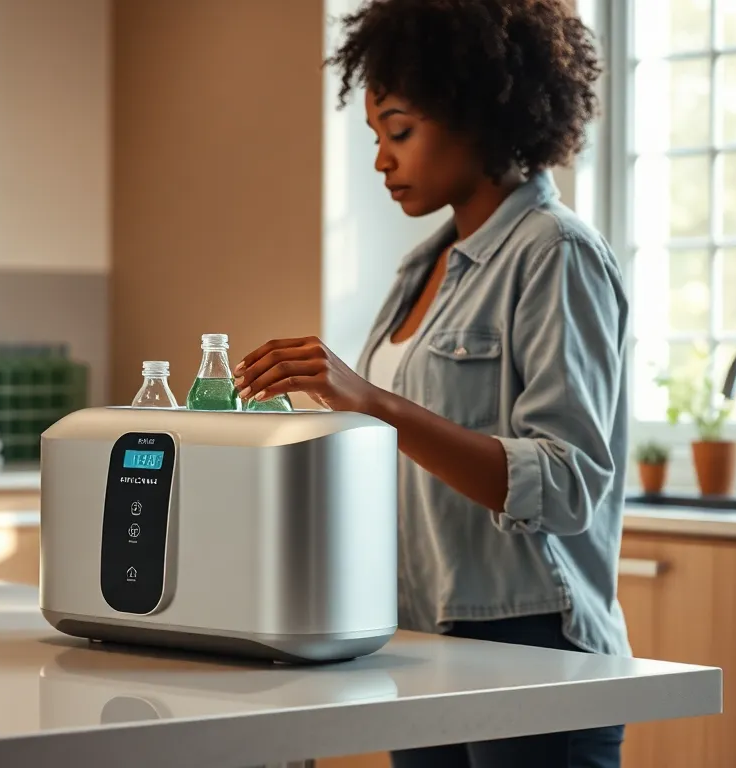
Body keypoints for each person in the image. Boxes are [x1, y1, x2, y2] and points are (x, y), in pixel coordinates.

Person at [233, 1, 628, 766]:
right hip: (418, 636)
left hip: (531, 641)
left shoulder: (556, 252)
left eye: (400, 131)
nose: (382, 161)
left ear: (477, 111)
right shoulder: (423, 267)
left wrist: (372, 402)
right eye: (376, 137)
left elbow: (568, 482)